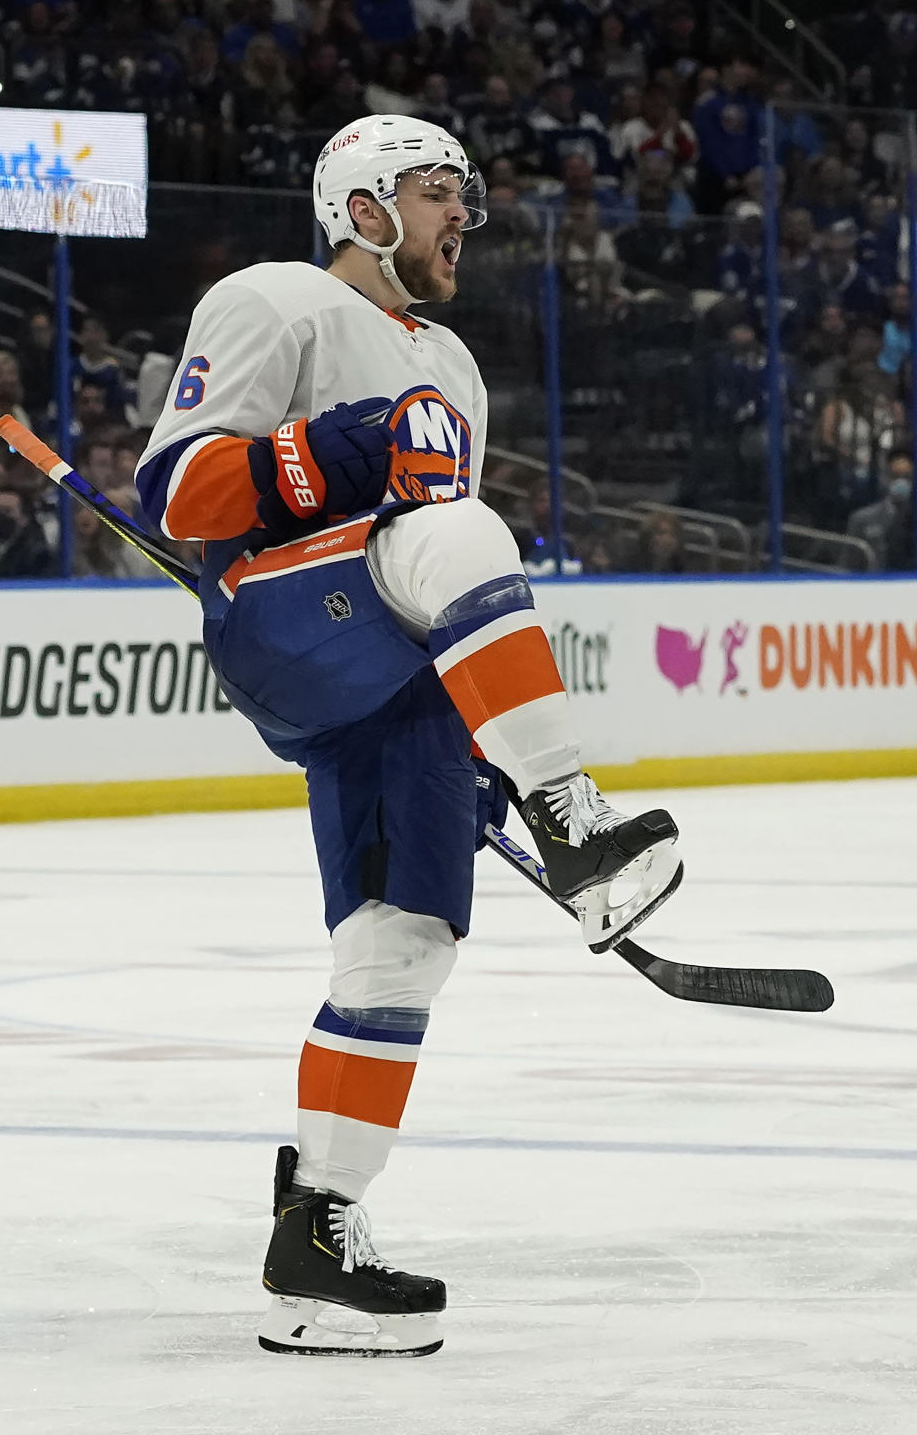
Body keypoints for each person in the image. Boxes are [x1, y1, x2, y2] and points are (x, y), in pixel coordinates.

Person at [134, 113, 681, 1358]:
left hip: (395, 652)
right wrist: (349, 445)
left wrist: (484, 743)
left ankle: (318, 1236)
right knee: (464, 532)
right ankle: (578, 820)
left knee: (401, 946)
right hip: (284, 614)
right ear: (365, 205)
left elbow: (450, 600)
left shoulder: (459, 363)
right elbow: (173, 491)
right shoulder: (273, 298)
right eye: (439, 192)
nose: (461, 219)